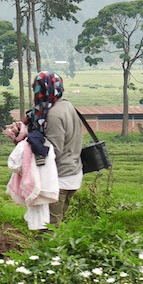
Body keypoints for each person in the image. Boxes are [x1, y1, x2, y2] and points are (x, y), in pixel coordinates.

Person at [35, 72, 83, 225]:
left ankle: (49, 249)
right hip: (73, 172)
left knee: (50, 227)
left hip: (60, 177)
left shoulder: (54, 114)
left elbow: (54, 151)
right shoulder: (67, 105)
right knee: (58, 221)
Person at [5, 112, 58, 232]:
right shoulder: (47, 143)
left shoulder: (23, 146)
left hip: (34, 186)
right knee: (50, 218)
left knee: (37, 218)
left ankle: (40, 238)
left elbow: (13, 165)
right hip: (48, 187)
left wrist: (24, 169)